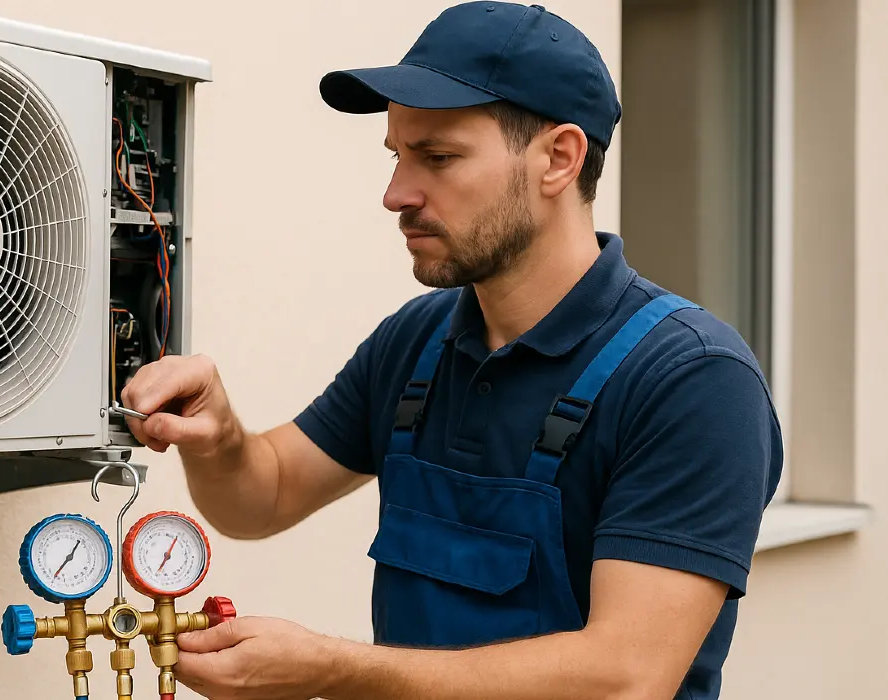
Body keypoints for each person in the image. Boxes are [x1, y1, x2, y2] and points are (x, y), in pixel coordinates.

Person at [119, 2, 783, 699]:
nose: (395, 194)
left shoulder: (692, 380)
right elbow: (265, 496)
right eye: (398, 156)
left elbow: (623, 678)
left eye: (438, 158)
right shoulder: (418, 340)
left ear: (559, 158)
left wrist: (332, 669)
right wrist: (219, 438)